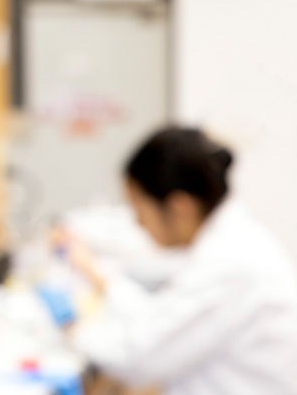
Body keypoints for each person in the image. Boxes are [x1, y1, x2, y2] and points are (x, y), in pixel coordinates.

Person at [60, 126, 297, 395]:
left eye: (139, 208)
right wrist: (95, 275)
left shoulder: (232, 261)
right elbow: (160, 321)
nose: (139, 223)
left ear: (180, 206)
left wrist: (70, 331)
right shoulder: (226, 247)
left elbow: (140, 358)